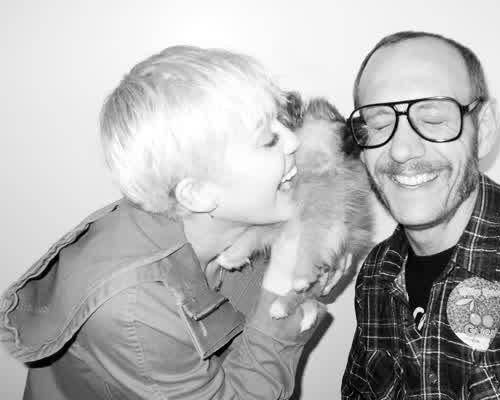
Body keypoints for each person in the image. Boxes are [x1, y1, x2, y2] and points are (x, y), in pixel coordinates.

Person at [0, 46, 340, 399]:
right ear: (198, 194)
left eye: (279, 123)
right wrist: (281, 288)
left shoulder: (227, 212)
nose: (293, 140)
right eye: (268, 140)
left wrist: (314, 249)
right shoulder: (133, 310)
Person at [341, 31, 500, 399]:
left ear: (486, 128)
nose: (401, 150)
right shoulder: (375, 276)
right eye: (380, 125)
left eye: (433, 119)